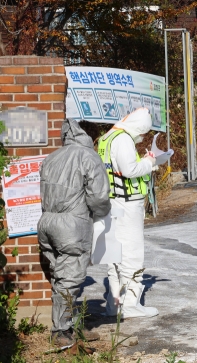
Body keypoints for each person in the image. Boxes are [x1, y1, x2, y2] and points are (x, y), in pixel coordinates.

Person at [38, 119, 111, 348]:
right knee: (69, 280)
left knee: (60, 277)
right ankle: (61, 332)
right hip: (72, 226)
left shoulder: (52, 157)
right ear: (93, 138)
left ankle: (71, 326)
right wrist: (104, 213)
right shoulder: (88, 156)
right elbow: (99, 197)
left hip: (46, 222)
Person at [97, 108, 158, 318]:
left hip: (111, 202)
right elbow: (129, 170)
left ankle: (114, 305)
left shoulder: (107, 137)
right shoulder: (123, 139)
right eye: (143, 132)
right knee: (132, 255)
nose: (142, 137)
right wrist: (149, 163)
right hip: (127, 204)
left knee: (113, 255)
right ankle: (130, 304)